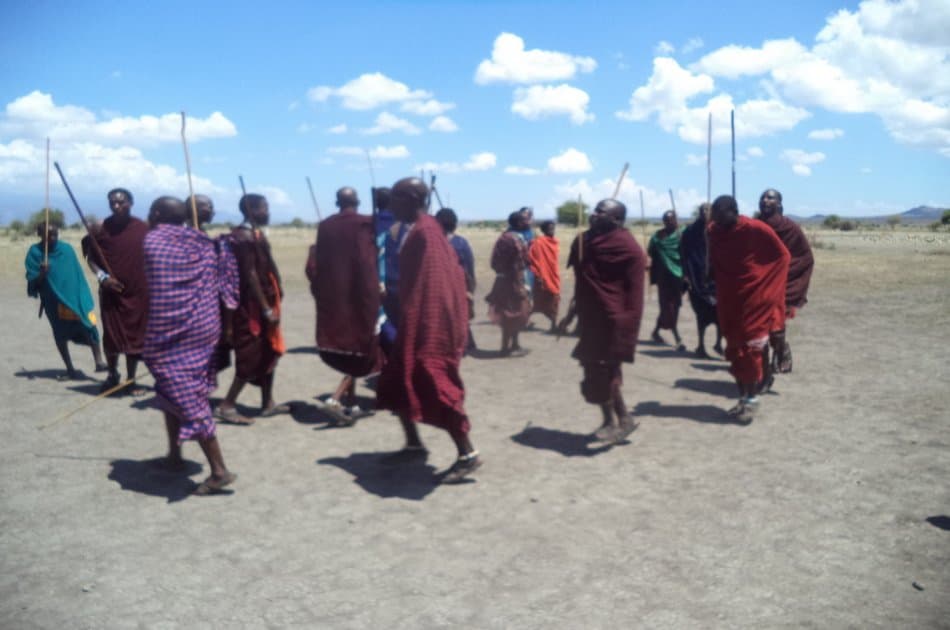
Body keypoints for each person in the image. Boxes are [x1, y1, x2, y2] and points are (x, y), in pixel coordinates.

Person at [376, 176, 481, 483]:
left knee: (435, 382)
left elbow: (437, 286)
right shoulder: (419, 229)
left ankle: (467, 453)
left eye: (395, 198)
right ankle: (413, 443)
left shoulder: (427, 233)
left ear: (409, 198)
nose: (390, 204)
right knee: (397, 380)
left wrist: (424, 327)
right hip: (414, 317)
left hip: (431, 324)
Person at [142, 196, 237, 495]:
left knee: (188, 397)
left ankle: (219, 470)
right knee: (170, 390)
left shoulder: (154, 241)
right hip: (204, 328)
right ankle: (174, 456)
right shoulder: (204, 243)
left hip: (170, 333)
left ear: (157, 214)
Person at [560, 199, 645, 443]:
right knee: (591, 368)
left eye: (601, 212)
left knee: (605, 370)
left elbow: (632, 290)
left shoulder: (627, 246)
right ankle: (610, 420)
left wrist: (624, 321)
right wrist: (572, 312)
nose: (594, 214)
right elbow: (583, 281)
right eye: (595, 210)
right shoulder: (584, 241)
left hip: (613, 318)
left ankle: (624, 419)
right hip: (591, 317)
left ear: (617, 220)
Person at [708, 194, 790, 424]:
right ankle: (743, 399)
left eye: (718, 213)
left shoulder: (755, 229)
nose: (714, 218)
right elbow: (714, 257)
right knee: (734, 349)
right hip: (728, 299)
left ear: (733, 211)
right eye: (713, 214)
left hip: (754, 299)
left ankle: (752, 399)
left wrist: (768, 288)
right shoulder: (714, 231)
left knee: (751, 350)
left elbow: (783, 256)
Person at [214, 193, 288, 423]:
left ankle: (268, 403)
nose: (268, 212)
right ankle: (227, 405)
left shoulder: (256, 235)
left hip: (266, 302)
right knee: (250, 355)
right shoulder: (243, 237)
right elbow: (250, 275)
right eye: (264, 208)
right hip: (251, 308)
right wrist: (266, 309)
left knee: (268, 351)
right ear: (251, 210)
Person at [310, 186, 382, 424]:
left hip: (336, 295)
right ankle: (336, 398)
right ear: (358, 202)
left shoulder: (325, 225)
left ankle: (351, 403)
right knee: (365, 346)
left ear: (336, 201)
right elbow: (369, 258)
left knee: (353, 346)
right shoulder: (366, 223)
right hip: (361, 293)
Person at [81, 188, 149, 395]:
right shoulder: (99, 228)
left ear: (131, 202)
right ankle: (112, 375)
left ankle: (130, 379)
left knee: (136, 336)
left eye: (121, 202)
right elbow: (90, 258)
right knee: (111, 335)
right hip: (112, 293)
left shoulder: (144, 228)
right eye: (112, 202)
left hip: (139, 293)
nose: (116, 206)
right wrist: (103, 278)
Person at [25, 221, 107, 379]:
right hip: (53, 301)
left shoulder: (67, 249)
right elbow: (33, 280)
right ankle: (70, 368)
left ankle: (99, 362)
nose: (52, 238)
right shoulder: (35, 252)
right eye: (48, 235)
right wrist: (42, 273)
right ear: (39, 235)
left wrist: (82, 295)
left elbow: (77, 275)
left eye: (55, 234)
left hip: (75, 298)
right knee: (60, 333)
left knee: (89, 325)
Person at [757, 189, 814, 374]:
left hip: (781, 287)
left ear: (779, 204)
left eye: (770, 197)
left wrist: (782, 276)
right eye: (763, 197)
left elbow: (805, 257)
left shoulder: (790, 229)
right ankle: (764, 369)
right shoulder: (754, 227)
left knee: (775, 328)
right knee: (759, 330)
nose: (765, 200)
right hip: (759, 287)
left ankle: (781, 351)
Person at [679, 203, 722, 358]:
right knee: (702, 315)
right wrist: (686, 275)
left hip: (716, 279)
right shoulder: (690, 232)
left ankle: (718, 344)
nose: (705, 212)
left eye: (708, 210)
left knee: (721, 314)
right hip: (696, 279)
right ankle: (701, 346)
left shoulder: (718, 230)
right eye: (703, 210)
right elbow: (683, 254)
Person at [485, 211, 532, 355]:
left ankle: (514, 345)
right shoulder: (515, 240)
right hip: (513, 282)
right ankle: (506, 348)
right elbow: (523, 262)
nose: (529, 222)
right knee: (514, 312)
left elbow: (494, 263)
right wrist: (520, 282)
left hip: (503, 280)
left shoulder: (504, 238)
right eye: (525, 220)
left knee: (512, 312)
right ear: (518, 223)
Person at [435, 207, 477, 352]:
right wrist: (470, 288)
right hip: (459, 286)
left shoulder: (433, 242)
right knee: (460, 314)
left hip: (439, 286)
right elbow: (469, 268)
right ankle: (464, 344)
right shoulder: (461, 243)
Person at [648, 210, 686, 351]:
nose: (669, 222)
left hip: (679, 276)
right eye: (666, 220)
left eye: (671, 220)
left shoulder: (682, 234)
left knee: (675, 305)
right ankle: (677, 337)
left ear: (677, 220)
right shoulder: (658, 236)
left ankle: (656, 332)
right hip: (663, 277)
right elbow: (651, 250)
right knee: (667, 306)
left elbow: (688, 250)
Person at [527, 220, 561, 332]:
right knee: (537, 299)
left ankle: (553, 325)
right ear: (543, 230)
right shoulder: (538, 242)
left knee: (554, 300)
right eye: (549, 228)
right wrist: (538, 274)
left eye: (553, 228)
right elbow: (532, 258)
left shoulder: (554, 242)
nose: (552, 230)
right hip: (542, 276)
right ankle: (524, 320)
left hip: (553, 275)